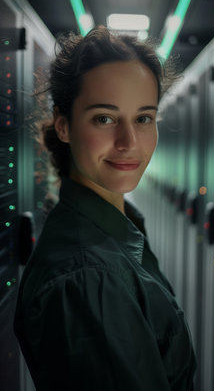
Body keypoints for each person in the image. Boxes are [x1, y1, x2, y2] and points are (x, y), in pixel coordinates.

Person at [14, 26, 196, 390]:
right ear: (64, 126)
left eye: (144, 118)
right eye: (104, 118)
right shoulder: (88, 278)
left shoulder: (110, 234)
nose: (129, 142)